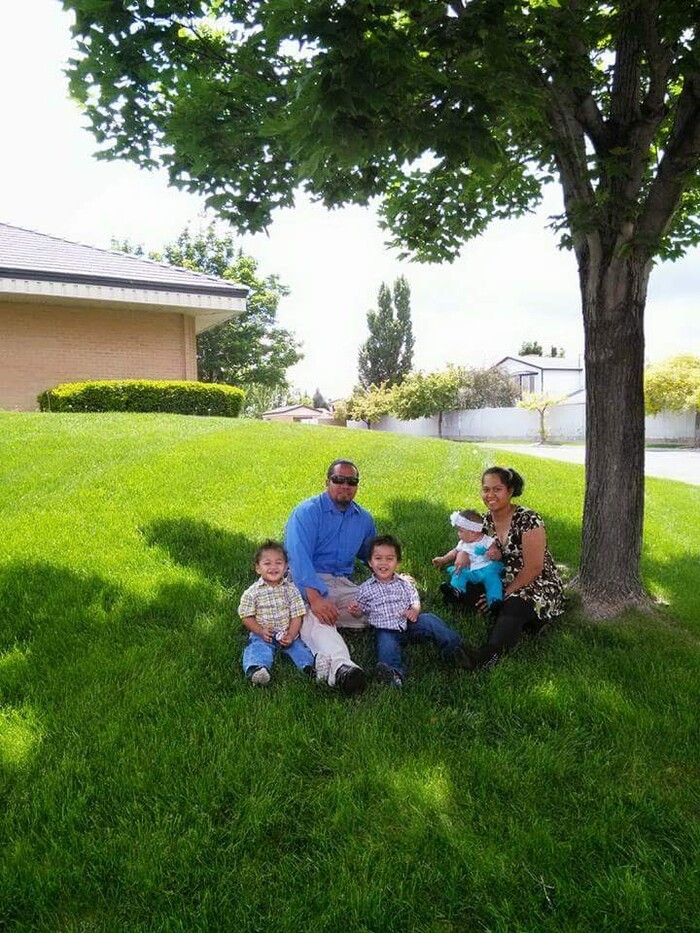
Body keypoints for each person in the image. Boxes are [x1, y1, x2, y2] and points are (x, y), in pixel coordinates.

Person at [284, 459, 377, 696]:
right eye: (338, 480)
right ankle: (342, 668)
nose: (345, 485)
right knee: (317, 618)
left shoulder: (364, 519)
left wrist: (393, 580)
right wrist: (315, 599)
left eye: (352, 481)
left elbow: (371, 556)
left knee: (383, 607)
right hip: (308, 583)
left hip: (343, 584)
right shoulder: (306, 512)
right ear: (327, 482)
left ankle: (313, 629)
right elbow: (298, 559)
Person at [465, 466, 565, 669]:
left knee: (516, 603)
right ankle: (532, 623)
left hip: (536, 582)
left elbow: (535, 568)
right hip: (501, 577)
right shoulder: (484, 521)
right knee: (469, 589)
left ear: (510, 491)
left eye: (497, 489)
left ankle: (488, 656)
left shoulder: (528, 519)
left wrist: (502, 593)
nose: (490, 495)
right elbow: (470, 548)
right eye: (485, 489)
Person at [349, 535, 468, 687]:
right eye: (378, 558)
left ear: (397, 563)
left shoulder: (404, 583)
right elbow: (361, 611)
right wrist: (356, 610)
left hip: (409, 623)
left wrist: (414, 610)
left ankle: (455, 649)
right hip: (385, 630)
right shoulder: (365, 588)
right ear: (370, 563)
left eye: (389, 558)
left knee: (430, 620)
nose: (383, 563)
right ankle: (393, 674)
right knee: (387, 647)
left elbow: (414, 599)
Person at [238, 540, 318, 686]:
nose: (273, 567)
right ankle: (258, 669)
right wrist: (260, 631)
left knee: (299, 648)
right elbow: (246, 616)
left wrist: (292, 635)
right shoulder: (253, 592)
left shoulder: (291, 590)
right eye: (267, 563)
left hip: (286, 632)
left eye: (278, 563)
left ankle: (309, 668)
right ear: (258, 568)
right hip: (263, 634)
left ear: (286, 566)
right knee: (258, 648)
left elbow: (297, 615)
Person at [432, 508, 504, 611]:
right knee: (458, 571)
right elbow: (454, 553)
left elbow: (496, 552)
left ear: (473, 532)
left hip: (486, 568)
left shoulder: (486, 540)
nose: (458, 534)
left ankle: (494, 600)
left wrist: (494, 554)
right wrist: (443, 559)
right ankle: (456, 591)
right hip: (470, 570)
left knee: (493, 580)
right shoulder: (463, 543)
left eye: (460, 531)